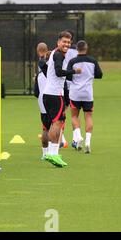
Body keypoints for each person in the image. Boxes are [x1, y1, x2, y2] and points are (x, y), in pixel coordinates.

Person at [42, 31, 81, 167]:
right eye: (64, 41)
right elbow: (59, 72)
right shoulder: (58, 54)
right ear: (58, 42)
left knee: (55, 123)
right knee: (57, 123)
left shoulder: (54, 53)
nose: (66, 44)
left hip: (50, 93)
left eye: (69, 42)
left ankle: (52, 153)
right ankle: (53, 154)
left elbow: (50, 72)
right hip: (54, 94)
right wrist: (74, 71)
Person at [66, 40, 103, 153]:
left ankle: (78, 138)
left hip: (75, 93)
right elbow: (99, 75)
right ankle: (87, 142)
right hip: (87, 94)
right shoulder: (93, 61)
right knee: (88, 117)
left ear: (77, 49)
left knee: (74, 116)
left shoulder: (72, 61)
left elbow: (68, 76)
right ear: (86, 48)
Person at [33, 42, 51, 160]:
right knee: (56, 125)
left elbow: (35, 92)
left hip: (42, 102)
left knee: (45, 128)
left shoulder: (39, 73)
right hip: (54, 99)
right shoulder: (54, 69)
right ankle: (53, 152)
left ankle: (44, 154)